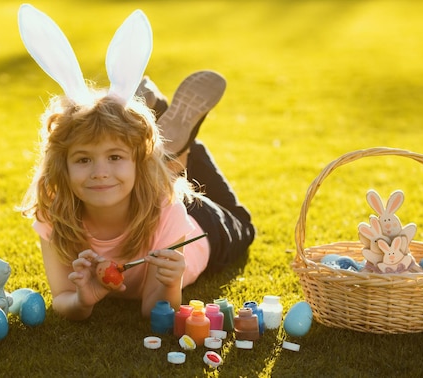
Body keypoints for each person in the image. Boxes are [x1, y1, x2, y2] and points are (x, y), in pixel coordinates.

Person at [20, 70, 255, 321]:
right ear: (62, 166)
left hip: (203, 222)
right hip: (149, 192)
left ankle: (183, 147)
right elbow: (62, 298)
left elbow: (154, 309)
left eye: (114, 157)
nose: (100, 173)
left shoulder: (167, 212)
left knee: (244, 224)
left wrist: (171, 283)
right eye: (84, 159)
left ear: (138, 162)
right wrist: (81, 300)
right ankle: (164, 140)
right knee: (164, 177)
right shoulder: (55, 213)